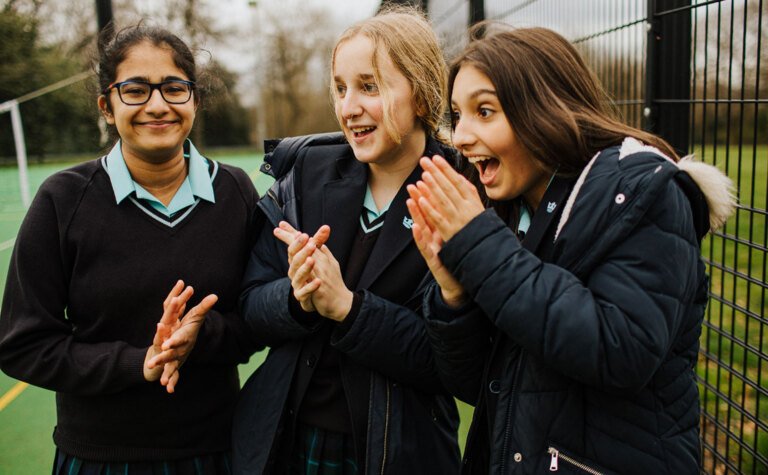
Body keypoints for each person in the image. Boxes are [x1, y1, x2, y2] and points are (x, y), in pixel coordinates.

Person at [407, 26, 736, 474]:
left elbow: (621, 351)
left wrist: (480, 246)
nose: (461, 136)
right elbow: (481, 382)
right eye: (458, 115)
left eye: (484, 111)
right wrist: (453, 293)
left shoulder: (643, 193)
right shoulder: (516, 211)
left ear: (544, 107)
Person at [0, 25, 259, 473]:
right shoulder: (62, 199)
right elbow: (23, 345)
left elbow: (257, 320)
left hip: (219, 450)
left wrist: (202, 336)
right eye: (135, 90)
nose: (157, 105)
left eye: (174, 88)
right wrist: (137, 363)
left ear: (194, 99)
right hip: (101, 458)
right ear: (107, 106)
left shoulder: (235, 190)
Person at [233, 8, 461, 475]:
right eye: (340, 88)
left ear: (420, 95)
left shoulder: (461, 194)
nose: (348, 107)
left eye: (369, 86)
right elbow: (251, 308)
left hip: (398, 454)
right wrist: (296, 299)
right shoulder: (304, 177)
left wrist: (348, 308)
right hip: (284, 442)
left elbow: (454, 364)